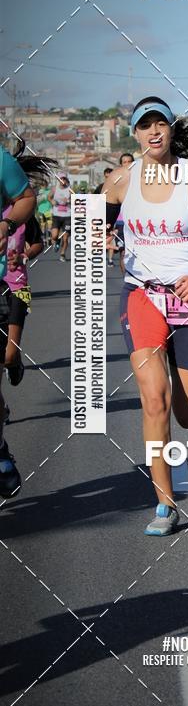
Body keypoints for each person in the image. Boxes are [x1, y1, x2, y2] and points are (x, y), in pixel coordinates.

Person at [103, 97, 188, 536]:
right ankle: (164, 505)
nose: (153, 131)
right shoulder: (121, 181)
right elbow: (92, 223)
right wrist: (93, 236)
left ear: (169, 128)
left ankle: (180, 433)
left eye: (159, 122)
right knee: (154, 398)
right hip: (142, 296)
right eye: (144, 126)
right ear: (136, 134)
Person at [0, 140, 50, 499]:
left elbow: (27, 200)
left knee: (7, 355)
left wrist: (6, 226)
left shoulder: (1, 163)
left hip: (9, 286)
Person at [3, 208, 44, 387]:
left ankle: (15, 361)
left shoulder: (20, 212)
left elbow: (37, 243)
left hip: (18, 287)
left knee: (9, 355)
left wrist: (24, 256)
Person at [48, 172, 71, 261]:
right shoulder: (54, 189)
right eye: (61, 179)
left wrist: (69, 200)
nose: (63, 181)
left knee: (65, 238)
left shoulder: (69, 189)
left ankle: (62, 254)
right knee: (54, 236)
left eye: (64, 179)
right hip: (57, 215)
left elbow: (77, 199)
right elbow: (49, 197)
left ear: (66, 180)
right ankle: (57, 241)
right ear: (58, 180)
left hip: (67, 216)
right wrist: (52, 201)